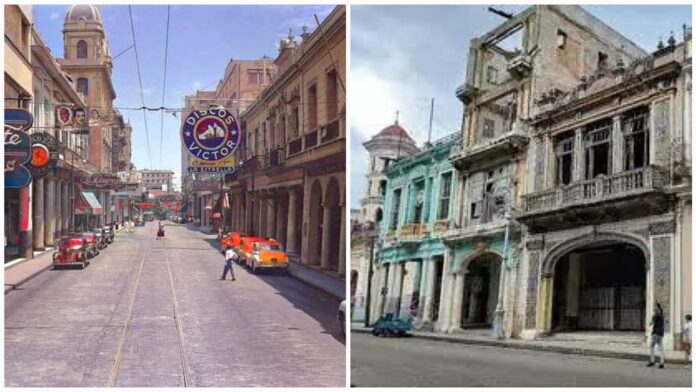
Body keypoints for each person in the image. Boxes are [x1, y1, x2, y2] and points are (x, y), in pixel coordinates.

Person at [647, 303, 666, 368]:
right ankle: (662, 363)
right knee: (661, 348)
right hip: (661, 333)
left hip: (655, 333)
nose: (653, 308)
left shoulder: (656, 315)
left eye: (654, 307)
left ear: (657, 308)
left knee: (651, 347)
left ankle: (652, 361)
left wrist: (650, 323)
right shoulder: (662, 315)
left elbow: (651, 323)